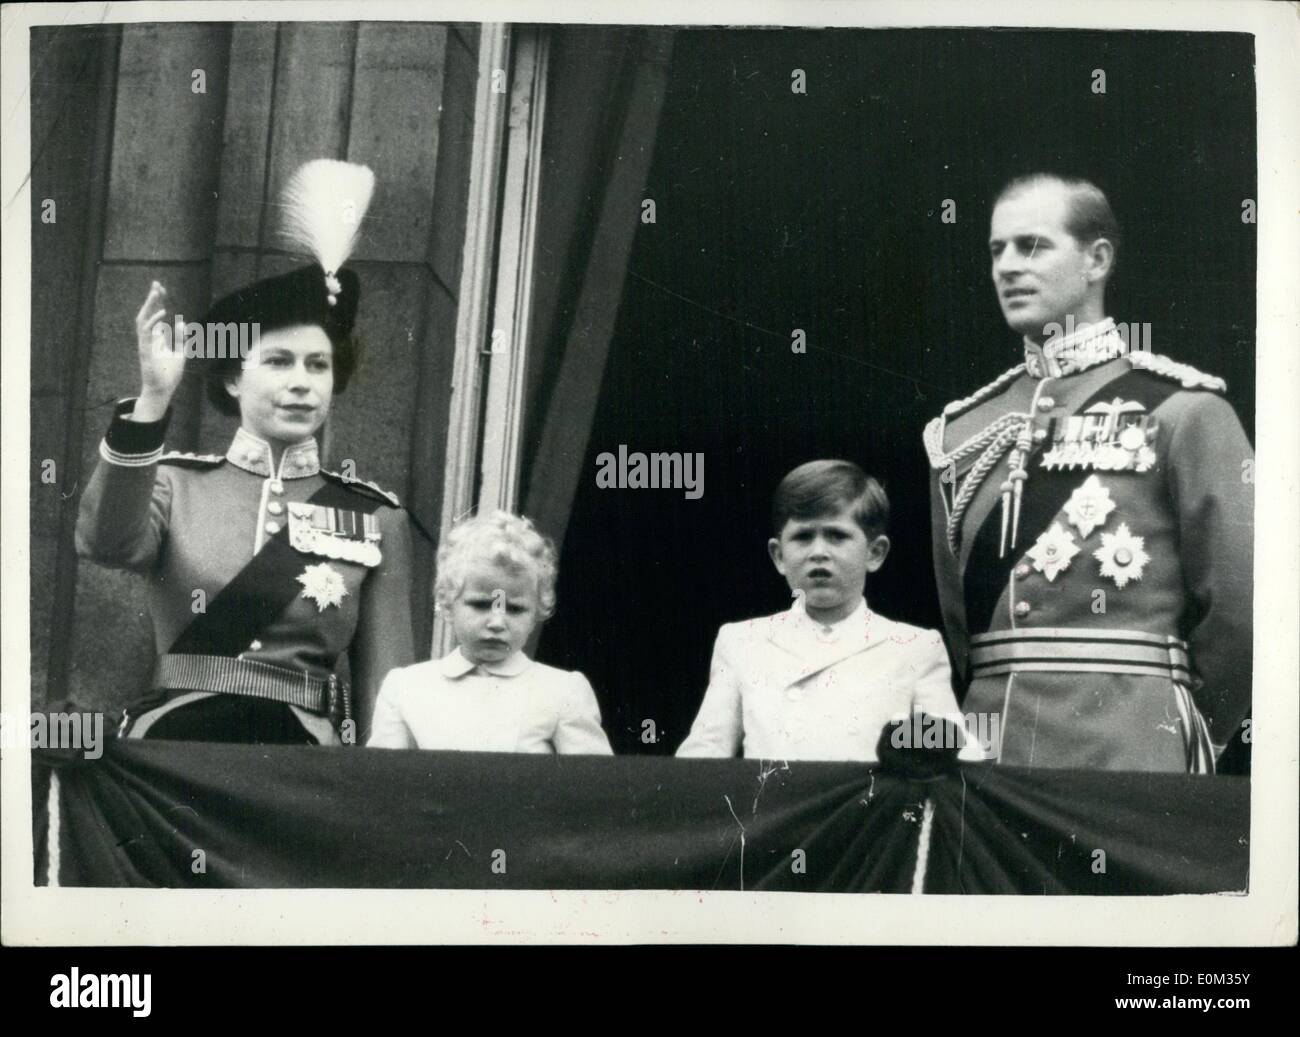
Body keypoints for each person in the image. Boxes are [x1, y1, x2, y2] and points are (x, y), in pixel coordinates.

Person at [76, 159, 415, 745]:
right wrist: (154, 399)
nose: (302, 382)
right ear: (233, 380)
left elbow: (388, 695)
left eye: (318, 365)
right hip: (177, 748)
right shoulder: (177, 486)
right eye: (278, 363)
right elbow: (102, 542)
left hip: (301, 766)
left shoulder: (376, 516)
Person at [923, 172, 1253, 772]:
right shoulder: (961, 434)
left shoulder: (1185, 410)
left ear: (1097, 258)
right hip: (986, 756)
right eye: (997, 250)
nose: (1007, 267)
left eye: (1033, 246)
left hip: (1130, 748)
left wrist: (1186, 728)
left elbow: (1240, 610)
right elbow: (959, 631)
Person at [676, 460, 980, 762]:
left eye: (837, 535)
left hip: (868, 809)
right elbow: (705, 754)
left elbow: (957, 751)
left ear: (875, 553)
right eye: (803, 537)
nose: (819, 552)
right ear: (778, 556)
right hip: (773, 809)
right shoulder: (742, 641)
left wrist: (915, 745)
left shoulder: (914, 647)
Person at [367, 511, 613, 754]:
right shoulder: (408, 687)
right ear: (448, 602)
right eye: (481, 604)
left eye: (515, 609)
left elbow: (591, 786)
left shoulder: (562, 692)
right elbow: (383, 781)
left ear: (538, 611)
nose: (497, 622)